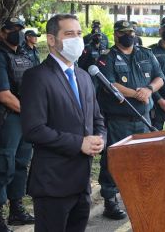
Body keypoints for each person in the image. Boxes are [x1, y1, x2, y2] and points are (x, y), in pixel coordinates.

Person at [20, 14, 106, 232]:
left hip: (82, 183)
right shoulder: (36, 77)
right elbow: (34, 129)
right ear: (51, 40)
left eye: (78, 34)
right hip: (53, 185)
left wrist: (99, 139)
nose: (76, 39)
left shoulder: (85, 76)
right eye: (69, 34)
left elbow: (97, 119)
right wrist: (79, 143)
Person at [97, 20, 165, 220]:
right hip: (119, 119)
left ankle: (138, 195)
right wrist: (137, 94)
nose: (129, 35)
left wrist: (149, 89)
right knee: (114, 160)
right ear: (116, 34)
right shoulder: (107, 58)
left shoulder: (146, 54)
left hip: (143, 118)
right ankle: (110, 200)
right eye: (125, 32)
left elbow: (160, 77)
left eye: (132, 32)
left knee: (142, 159)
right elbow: (109, 83)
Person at [0, 17, 35, 232]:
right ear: (2, 33)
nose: (18, 33)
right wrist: (32, 112)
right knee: (3, 166)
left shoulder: (25, 55)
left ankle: (17, 210)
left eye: (20, 29)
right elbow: (4, 95)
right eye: (12, 29)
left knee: (21, 164)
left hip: (25, 119)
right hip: (7, 120)